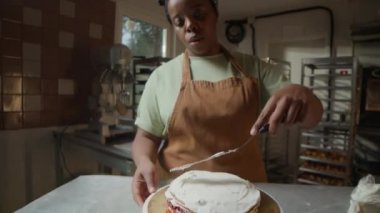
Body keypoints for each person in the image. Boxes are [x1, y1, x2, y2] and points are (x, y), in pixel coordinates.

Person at [131, 0, 323, 207]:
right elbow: (146, 137)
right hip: (178, 199)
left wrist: (302, 94)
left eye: (199, 14)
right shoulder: (162, 77)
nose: (190, 25)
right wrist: (143, 161)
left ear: (215, 13)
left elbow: (313, 117)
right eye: (179, 21)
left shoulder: (256, 70)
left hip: (244, 200)